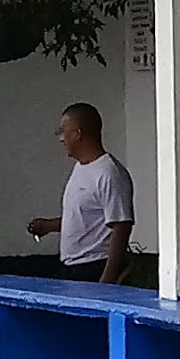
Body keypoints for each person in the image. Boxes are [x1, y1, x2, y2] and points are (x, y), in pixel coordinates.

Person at [30, 103, 136, 284]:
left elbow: (121, 227)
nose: (60, 139)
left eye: (63, 131)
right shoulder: (81, 168)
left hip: (95, 267)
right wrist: (49, 226)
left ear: (78, 134)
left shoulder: (109, 174)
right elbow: (85, 218)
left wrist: (106, 282)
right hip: (71, 268)